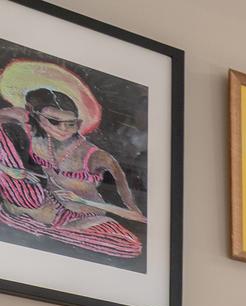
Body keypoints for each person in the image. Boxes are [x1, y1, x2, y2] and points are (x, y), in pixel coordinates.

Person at [0, 60, 144, 258]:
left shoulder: (96, 156)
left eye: (71, 124)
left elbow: (135, 213)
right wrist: (6, 169)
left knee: (130, 246)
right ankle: (38, 222)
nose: (63, 130)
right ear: (34, 114)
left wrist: (82, 200)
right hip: (46, 205)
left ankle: (39, 227)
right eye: (54, 121)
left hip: (84, 216)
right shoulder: (32, 129)